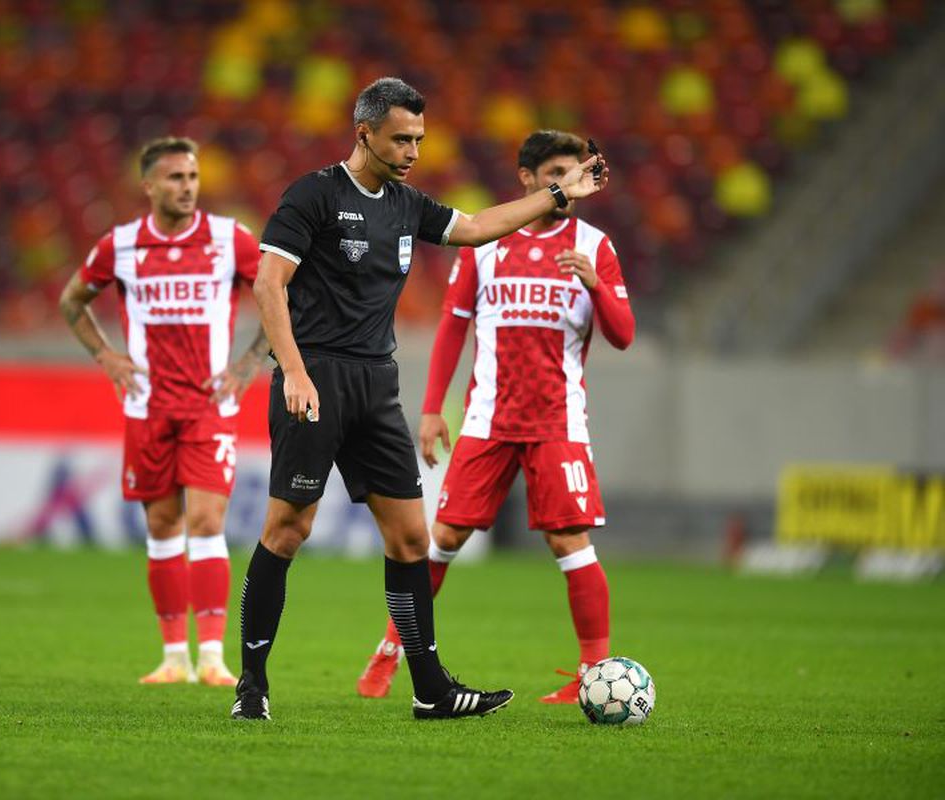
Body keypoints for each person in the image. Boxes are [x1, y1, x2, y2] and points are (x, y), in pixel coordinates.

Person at [232, 79, 609, 721]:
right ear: (364, 133)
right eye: (401, 139)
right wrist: (292, 371)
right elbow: (270, 284)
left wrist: (557, 194)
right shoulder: (314, 195)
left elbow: (480, 227)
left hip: (376, 385)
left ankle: (431, 689)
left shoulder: (407, 204)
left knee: (410, 539)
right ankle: (252, 685)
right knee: (288, 529)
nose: (413, 152)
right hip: (315, 377)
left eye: (419, 140)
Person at [354, 130, 635, 705]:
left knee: (570, 541)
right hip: (487, 420)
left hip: (557, 422)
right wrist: (432, 410)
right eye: (557, 174)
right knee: (442, 538)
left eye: (575, 173)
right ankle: (389, 650)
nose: (569, 183)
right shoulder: (486, 244)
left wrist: (596, 285)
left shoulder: (594, 246)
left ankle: (594, 672)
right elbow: (453, 328)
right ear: (528, 178)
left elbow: (624, 335)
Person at [59, 136, 268, 687]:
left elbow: (280, 294)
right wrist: (106, 356)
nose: (187, 187)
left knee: (207, 522)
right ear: (148, 185)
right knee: (161, 525)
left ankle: (213, 657)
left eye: (193, 177)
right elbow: (71, 300)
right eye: (176, 177)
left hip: (209, 406)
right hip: (147, 406)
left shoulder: (229, 238)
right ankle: (174, 656)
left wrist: (249, 363)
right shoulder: (121, 245)